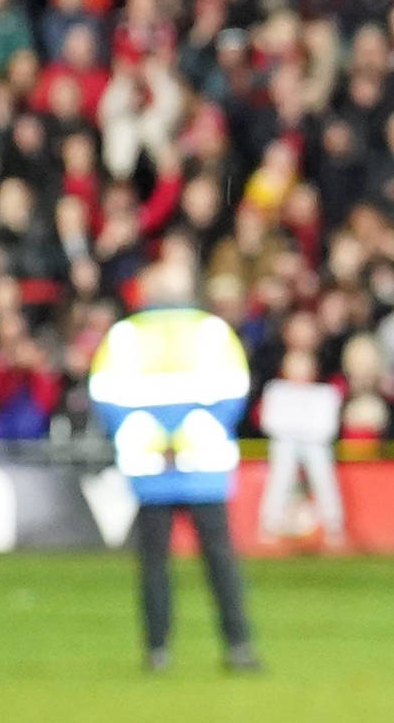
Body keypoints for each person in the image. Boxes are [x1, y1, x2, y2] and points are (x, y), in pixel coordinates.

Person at [89, 256, 264, 674]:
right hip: (203, 463)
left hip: (150, 466)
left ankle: (157, 651)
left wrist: (156, 439)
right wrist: (187, 437)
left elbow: (106, 397)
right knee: (219, 559)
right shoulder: (212, 332)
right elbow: (234, 394)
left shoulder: (125, 336)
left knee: (153, 563)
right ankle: (238, 646)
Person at [256, 337, 351, 553]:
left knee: (323, 475)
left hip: (315, 445)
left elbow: (326, 429)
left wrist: (299, 431)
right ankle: (269, 527)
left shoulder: (324, 394)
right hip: (286, 444)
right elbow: (270, 423)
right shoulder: (276, 390)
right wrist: (299, 431)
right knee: (279, 476)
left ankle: (334, 528)